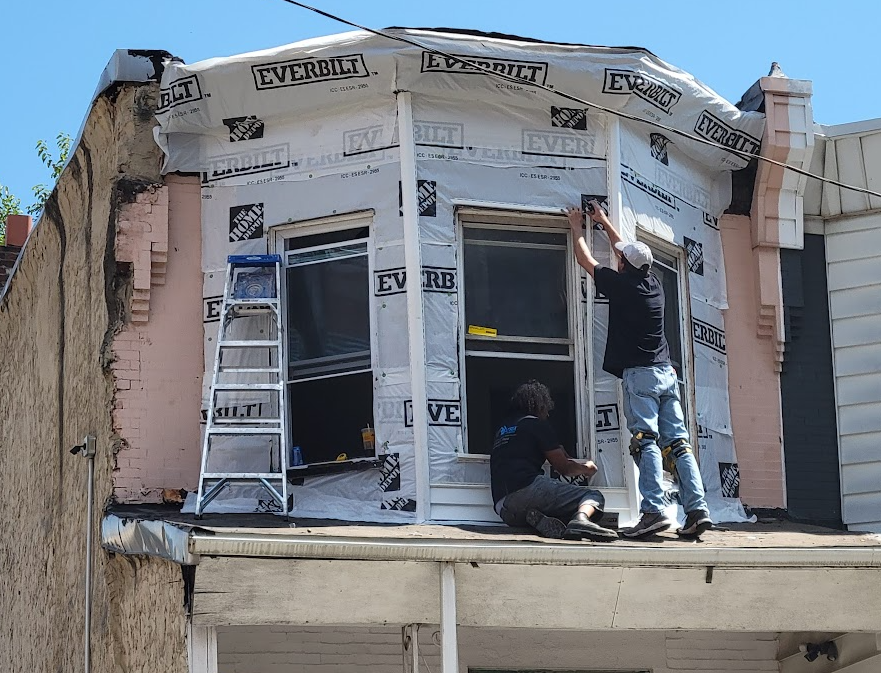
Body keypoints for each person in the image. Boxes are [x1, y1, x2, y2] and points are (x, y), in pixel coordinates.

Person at [566, 201, 713, 539]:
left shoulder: (622, 287)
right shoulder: (654, 284)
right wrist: (603, 221)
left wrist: (577, 228)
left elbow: (585, 260)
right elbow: (625, 251)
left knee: (645, 441)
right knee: (679, 443)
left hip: (642, 377)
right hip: (666, 374)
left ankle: (652, 512)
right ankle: (697, 510)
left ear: (623, 266)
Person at [490, 380, 618, 542]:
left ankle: (540, 519)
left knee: (559, 506)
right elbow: (564, 468)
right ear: (540, 405)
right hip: (528, 489)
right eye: (546, 408)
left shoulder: (502, 429)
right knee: (591, 495)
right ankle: (581, 520)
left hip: (504, 508)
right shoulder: (536, 424)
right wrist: (587, 468)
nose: (548, 414)